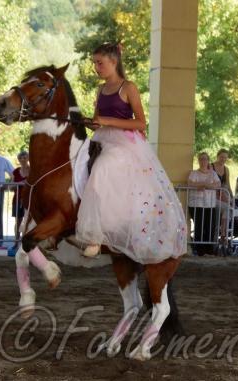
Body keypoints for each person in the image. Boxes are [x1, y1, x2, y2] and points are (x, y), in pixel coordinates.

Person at [76, 43, 187, 263]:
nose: (96, 68)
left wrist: (106, 120)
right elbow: (99, 124)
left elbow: (141, 123)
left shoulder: (128, 87)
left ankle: (96, 236)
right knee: (79, 163)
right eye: (94, 64)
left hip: (125, 143)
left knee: (102, 167)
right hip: (102, 138)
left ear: (113, 62)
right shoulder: (100, 90)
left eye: (100, 63)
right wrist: (89, 122)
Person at [187, 152, 221, 256]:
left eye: (205, 159)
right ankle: (200, 249)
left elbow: (218, 184)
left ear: (208, 161)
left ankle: (209, 249)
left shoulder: (213, 173)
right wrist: (206, 184)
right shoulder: (194, 173)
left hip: (210, 204)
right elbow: (190, 183)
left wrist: (204, 185)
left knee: (210, 226)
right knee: (199, 227)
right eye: (201, 159)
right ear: (198, 161)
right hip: (197, 204)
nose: (203, 161)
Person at [211, 149, 233, 243]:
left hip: (222, 197)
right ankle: (220, 235)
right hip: (212, 196)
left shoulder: (226, 169)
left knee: (228, 208)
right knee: (226, 209)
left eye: (225, 157)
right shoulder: (211, 166)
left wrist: (232, 197)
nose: (223, 159)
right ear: (217, 156)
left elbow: (227, 184)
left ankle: (223, 234)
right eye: (221, 157)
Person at [12, 150, 29, 247]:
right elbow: (11, 186)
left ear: (28, 159)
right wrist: (20, 183)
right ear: (18, 160)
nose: (23, 160)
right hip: (17, 198)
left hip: (29, 199)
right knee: (18, 220)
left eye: (25, 157)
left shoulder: (32, 170)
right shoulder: (15, 171)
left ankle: (25, 242)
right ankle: (16, 241)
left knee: (28, 221)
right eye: (21, 158)